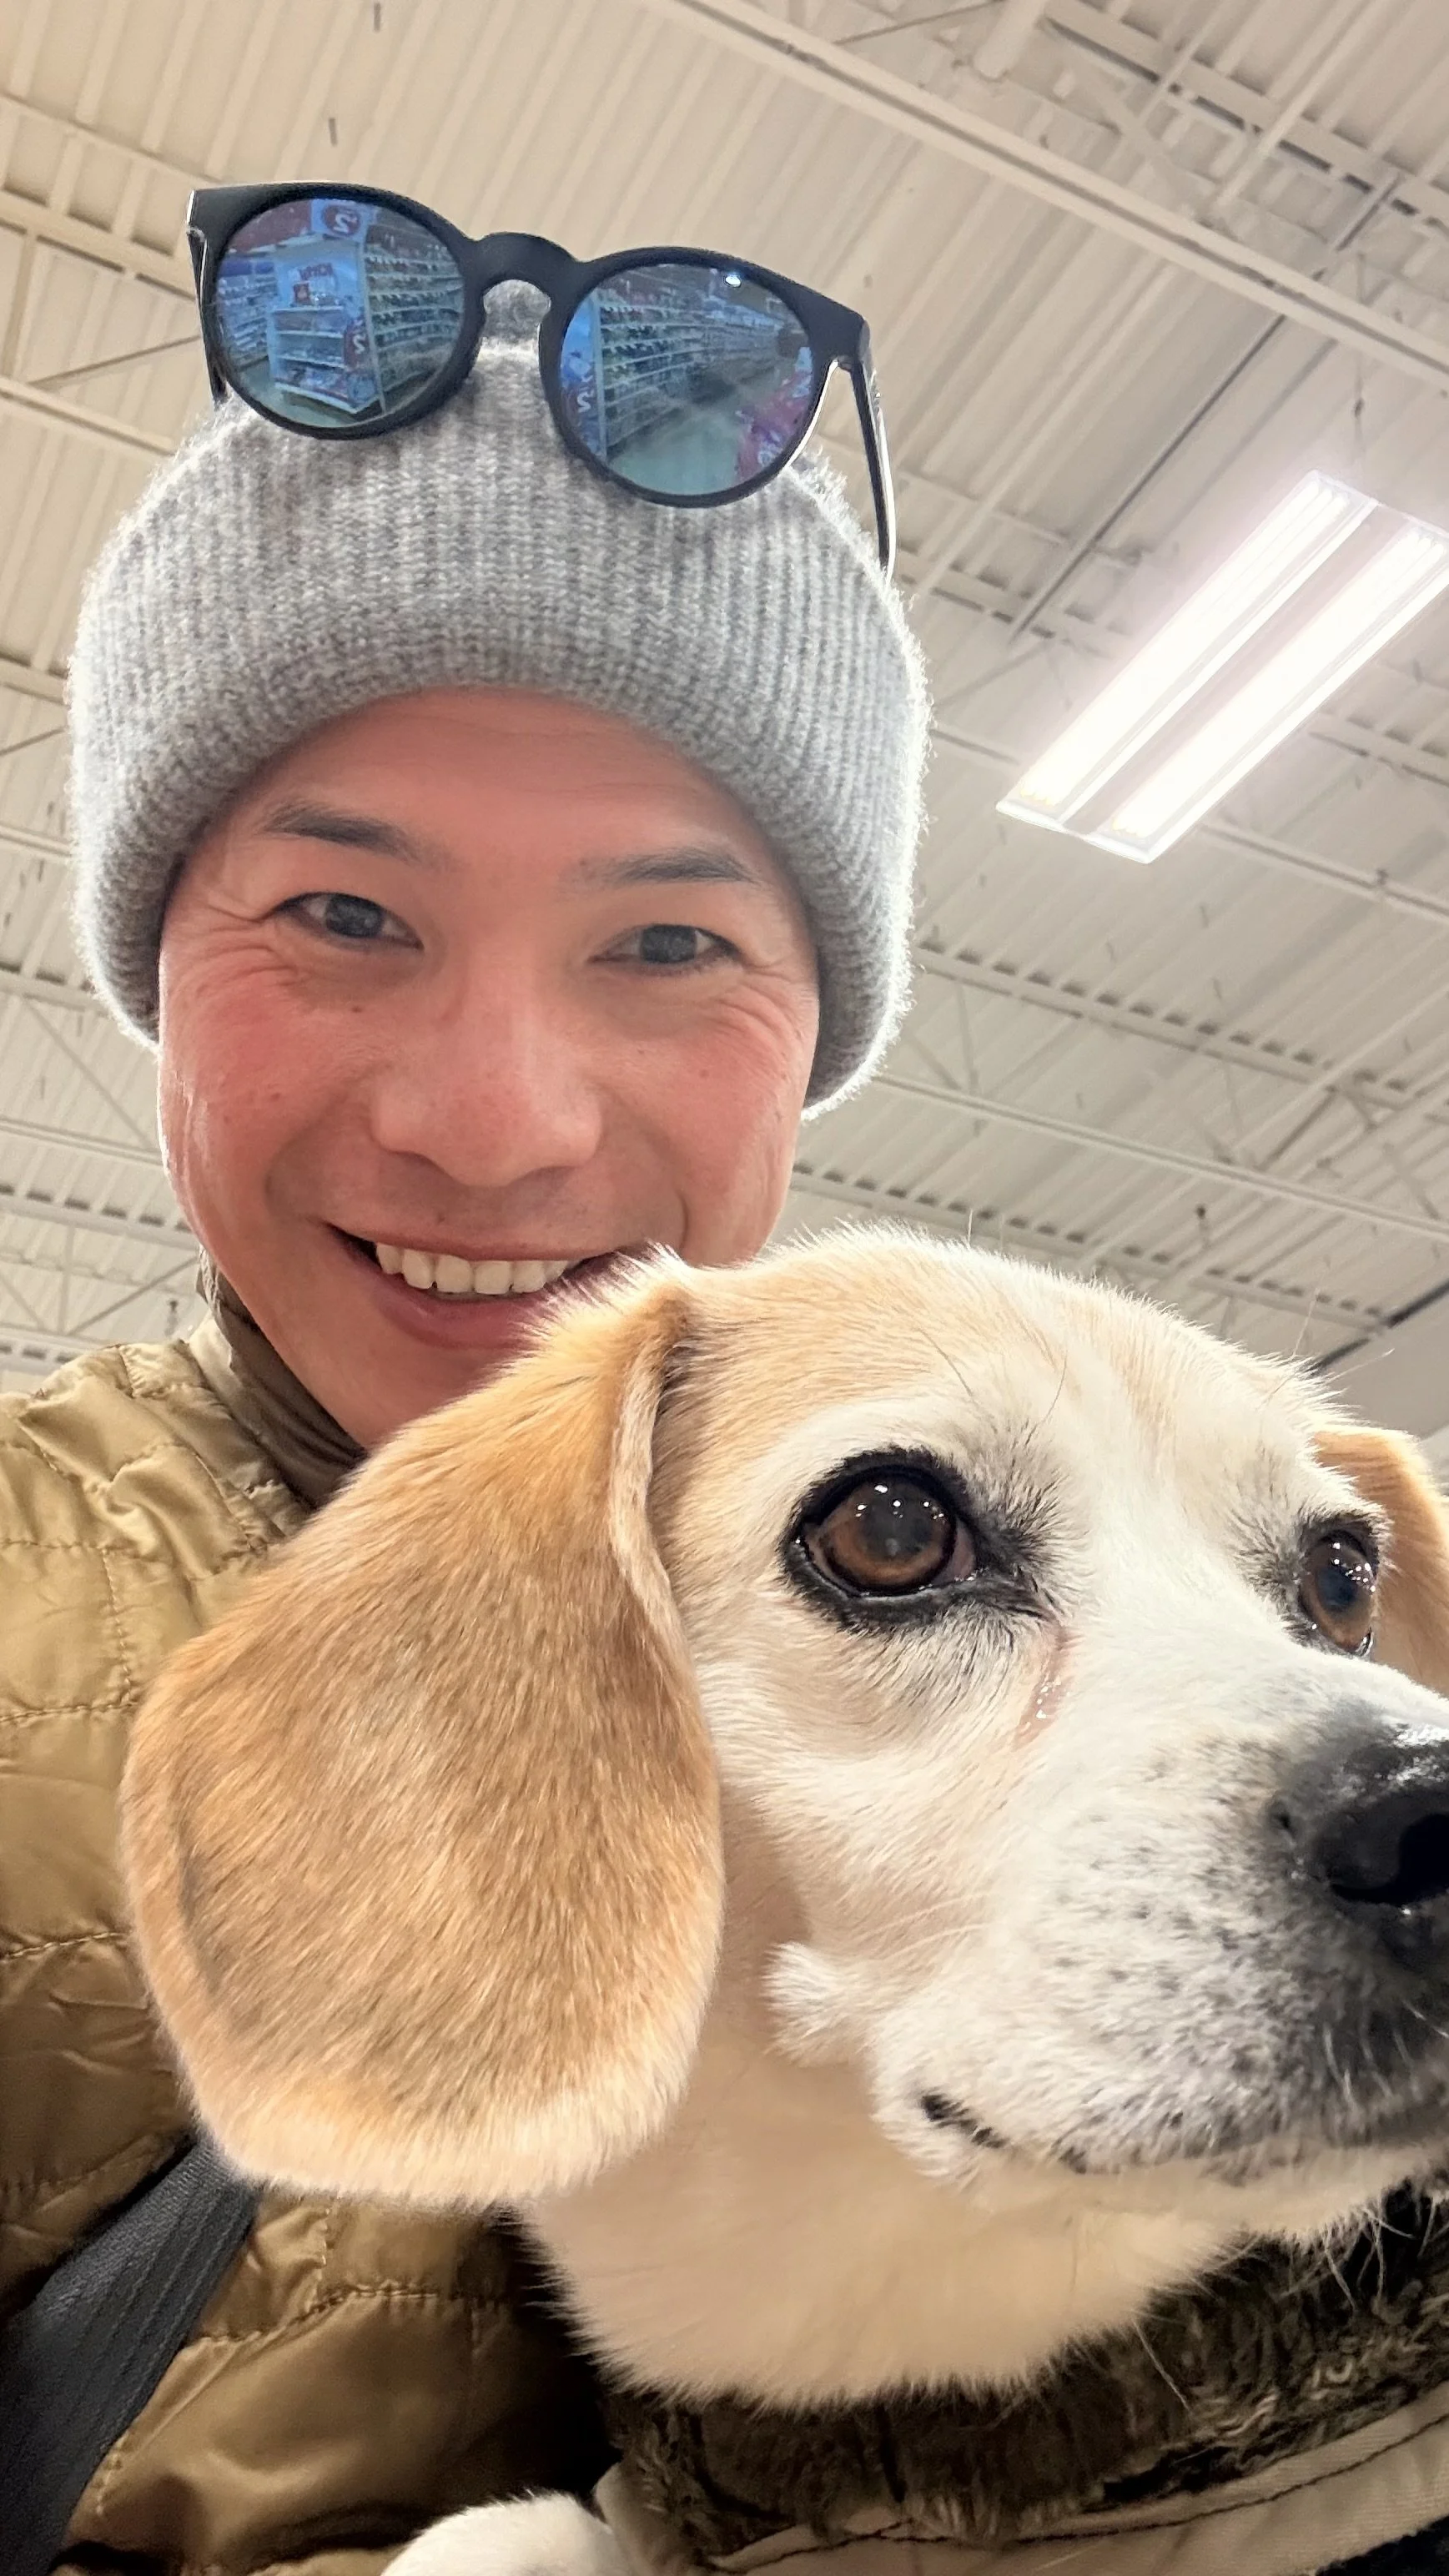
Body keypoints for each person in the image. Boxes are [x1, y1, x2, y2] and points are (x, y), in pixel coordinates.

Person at [0, 281, 928, 2567]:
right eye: (343, 911)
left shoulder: (1034, 1602)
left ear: (813, 1024)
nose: (498, 1126)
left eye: (667, 945)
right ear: (154, 969)